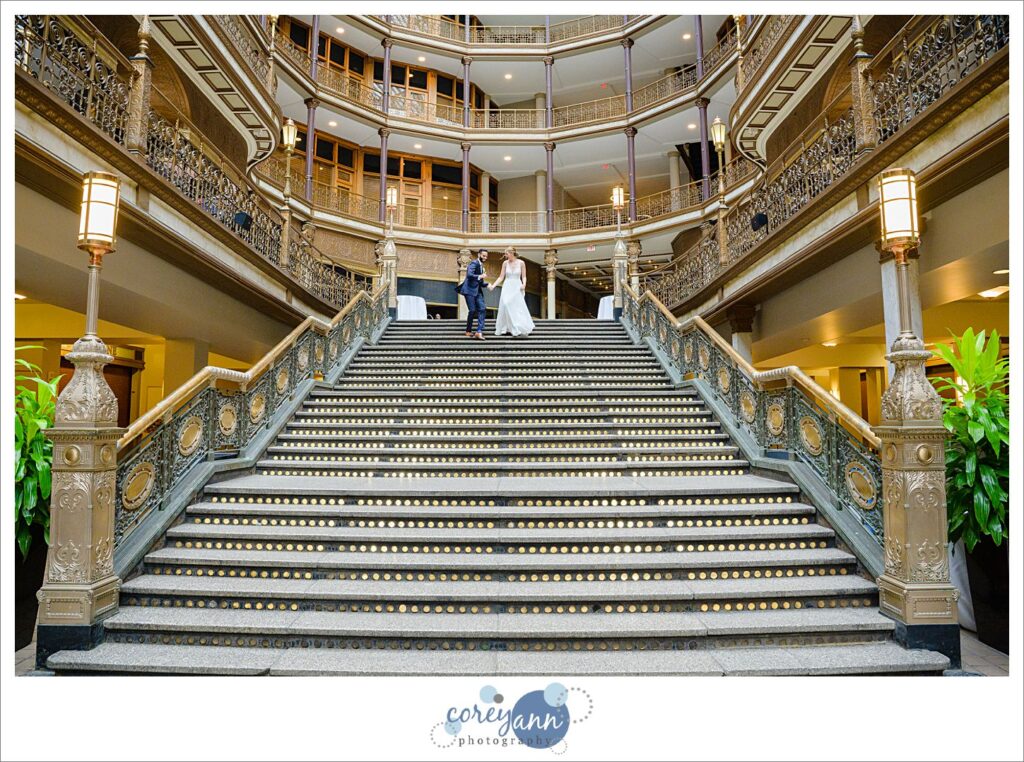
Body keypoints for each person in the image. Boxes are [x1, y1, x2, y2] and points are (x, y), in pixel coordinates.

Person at [488, 246, 535, 337]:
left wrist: (524, 284)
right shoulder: (505, 263)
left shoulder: (521, 263)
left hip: (517, 286)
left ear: (512, 253)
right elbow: (501, 276)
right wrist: (493, 286)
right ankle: (510, 328)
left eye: (507, 254)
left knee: (516, 307)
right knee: (506, 304)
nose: (506, 256)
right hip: (507, 286)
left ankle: (517, 327)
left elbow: (524, 276)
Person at [458, 249, 489, 340]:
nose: (485, 258)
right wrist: (480, 276)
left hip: (477, 291)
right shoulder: (474, 263)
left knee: (482, 308)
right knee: (472, 310)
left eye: (486, 256)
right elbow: (470, 274)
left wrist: (488, 285)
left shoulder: (481, 266)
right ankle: (468, 330)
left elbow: (481, 283)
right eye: (483, 256)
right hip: (469, 290)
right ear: (479, 254)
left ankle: (479, 331)